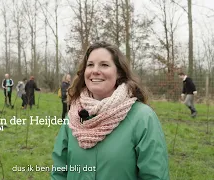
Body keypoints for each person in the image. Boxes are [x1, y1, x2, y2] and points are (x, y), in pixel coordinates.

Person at [51, 41, 169, 179]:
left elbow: (154, 176)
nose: (95, 70)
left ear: (119, 73)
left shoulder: (143, 118)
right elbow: (59, 171)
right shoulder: (73, 116)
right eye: (90, 65)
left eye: (104, 65)